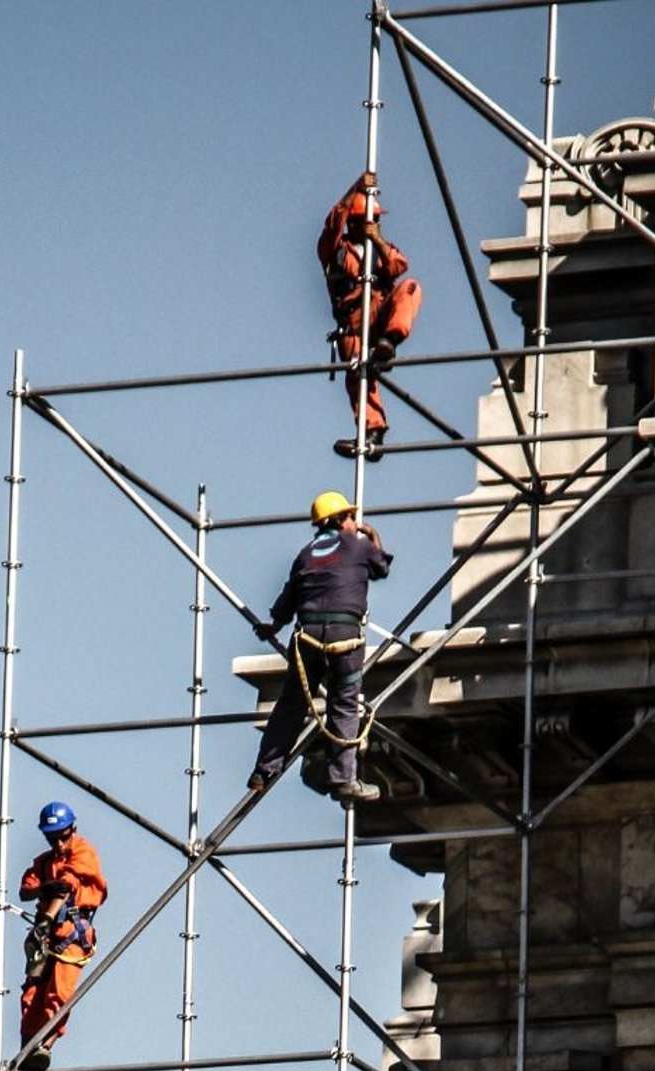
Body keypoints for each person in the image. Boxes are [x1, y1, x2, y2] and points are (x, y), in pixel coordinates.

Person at [248, 491, 392, 803]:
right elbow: (381, 568)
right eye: (351, 517)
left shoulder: (305, 554)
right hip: (344, 635)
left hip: (307, 635)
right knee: (344, 703)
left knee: (291, 704)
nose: (356, 522)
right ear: (341, 520)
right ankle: (341, 778)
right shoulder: (358, 545)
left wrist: (273, 625)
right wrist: (373, 535)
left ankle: (264, 769)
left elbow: (289, 597)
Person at [318, 172, 424, 460]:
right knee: (358, 376)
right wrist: (354, 190)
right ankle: (372, 432)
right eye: (369, 220)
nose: (374, 224)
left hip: (379, 318)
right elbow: (331, 224)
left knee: (410, 289)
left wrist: (377, 240)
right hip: (353, 325)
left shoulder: (381, 250)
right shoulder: (336, 252)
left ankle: (389, 342)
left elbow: (399, 267)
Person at [17, 800, 108, 1071]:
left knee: (60, 993)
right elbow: (26, 889)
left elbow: (67, 885)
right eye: (51, 838)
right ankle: (26, 1054)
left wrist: (46, 916)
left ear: (73, 829)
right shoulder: (45, 862)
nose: (57, 844)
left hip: (71, 934)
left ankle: (46, 1046)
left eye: (62, 837)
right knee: (31, 995)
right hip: (45, 938)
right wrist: (45, 889)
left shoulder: (83, 852)